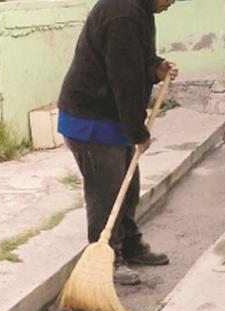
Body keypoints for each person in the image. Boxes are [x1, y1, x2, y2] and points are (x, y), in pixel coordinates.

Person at [57, 0, 179, 285]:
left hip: (113, 117)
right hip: (91, 122)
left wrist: (156, 67)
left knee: (128, 188)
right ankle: (107, 258)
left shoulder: (141, 9)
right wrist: (138, 132)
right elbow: (123, 77)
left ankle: (131, 245)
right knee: (106, 194)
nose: (173, 2)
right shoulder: (122, 12)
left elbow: (135, 58)